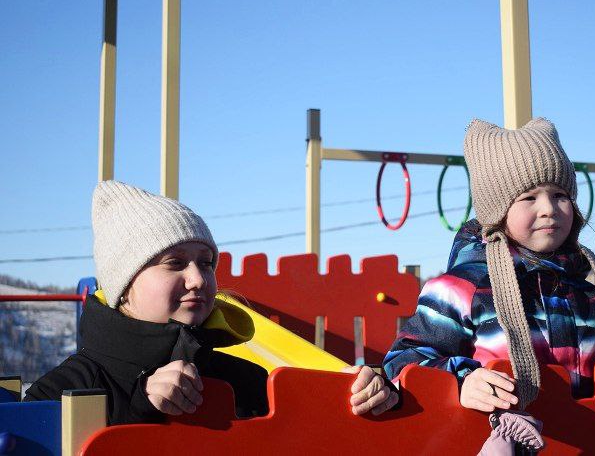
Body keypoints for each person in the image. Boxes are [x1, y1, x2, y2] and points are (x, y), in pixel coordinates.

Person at [25, 180, 397, 424]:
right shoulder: (67, 388)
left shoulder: (242, 379)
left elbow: (312, 427)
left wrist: (368, 394)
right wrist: (141, 406)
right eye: (174, 263)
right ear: (125, 286)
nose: (199, 279)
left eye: (206, 263)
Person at [383, 118, 595, 414]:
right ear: (497, 212)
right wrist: (462, 380)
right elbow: (402, 362)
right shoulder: (461, 290)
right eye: (529, 197)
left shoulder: (589, 298)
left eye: (560, 195)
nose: (548, 209)